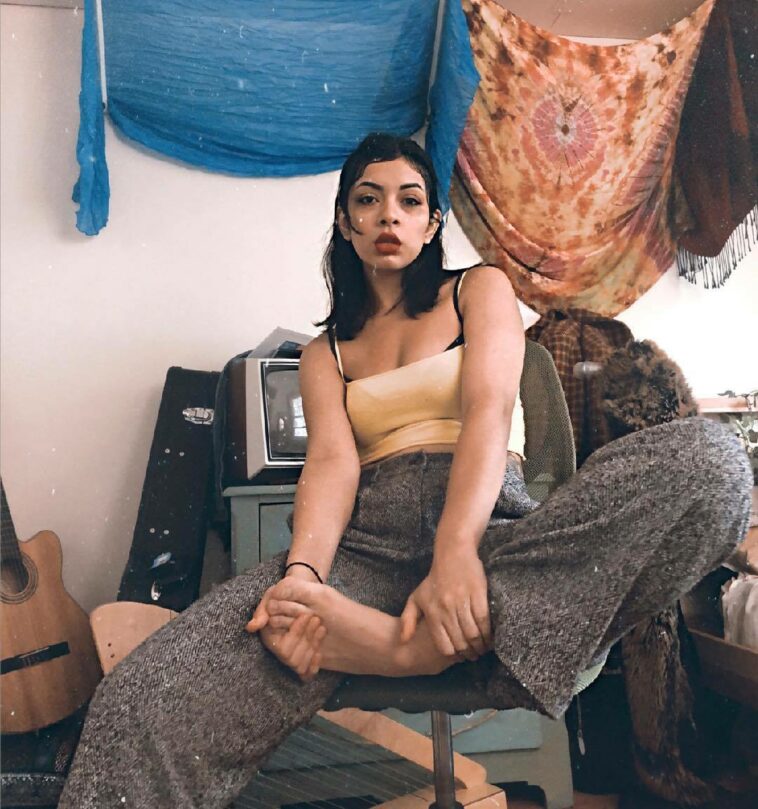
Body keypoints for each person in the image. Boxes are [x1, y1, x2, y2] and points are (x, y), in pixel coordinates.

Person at [58, 134, 752, 809]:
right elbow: (331, 466)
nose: (389, 214)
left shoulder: (479, 289)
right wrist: (303, 579)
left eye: (409, 200)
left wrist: (455, 554)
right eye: (368, 199)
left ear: (432, 223)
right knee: (138, 699)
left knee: (714, 463)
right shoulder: (322, 354)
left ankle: (405, 647)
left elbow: (488, 410)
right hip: (366, 557)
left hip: (492, 536)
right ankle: (431, 640)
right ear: (345, 222)